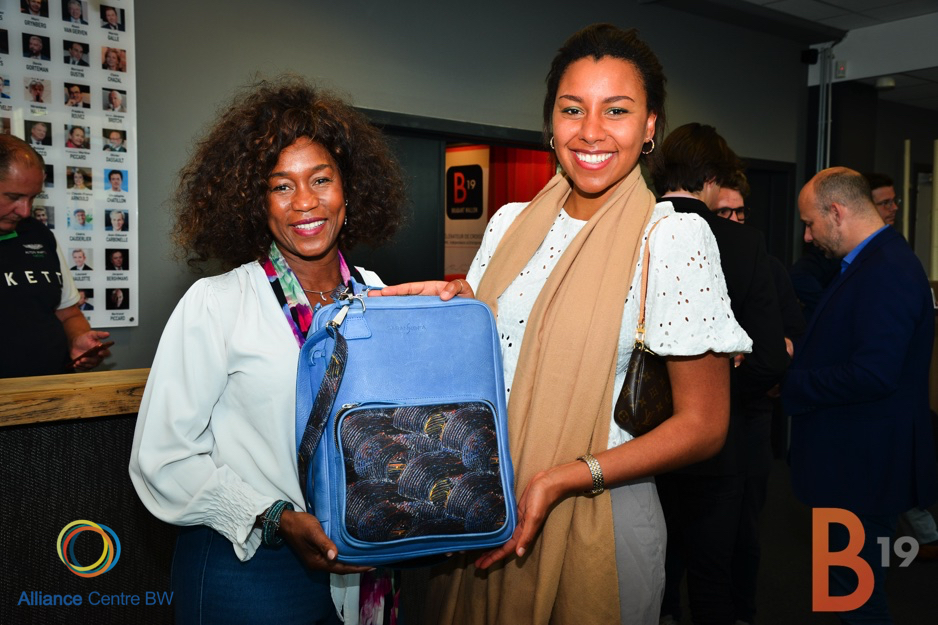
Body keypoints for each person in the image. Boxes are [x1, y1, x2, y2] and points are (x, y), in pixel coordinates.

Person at [377, 24, 750, 625]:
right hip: (485, 497)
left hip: (600, 509)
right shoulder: (509, 224)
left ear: (650, 126)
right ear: (551, 122)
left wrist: (567, 478)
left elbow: (705, 425)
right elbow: (507, 348)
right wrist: (458, 307)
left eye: (617, 110)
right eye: (573, 109)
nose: (591, 131)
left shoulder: (671, 237)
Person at [129, 76, 407, 625]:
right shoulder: (218, 303)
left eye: (320, 179)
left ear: (348, 189)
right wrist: (274, 517)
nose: (305, 202)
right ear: (257, 202)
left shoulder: (377, 296)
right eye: (282, 186)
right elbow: (162, 458)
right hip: (250, 564)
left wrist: (448, 316)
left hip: (362, 560)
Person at [783, 167, 938, 623]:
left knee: (856, 601)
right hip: (857, 464)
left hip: (861, 470)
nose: (808, 237)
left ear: (836, 212)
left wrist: (793, 381)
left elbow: (873, 373)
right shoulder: (873, 261)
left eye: (810, 223)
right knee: (848, 594)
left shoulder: (886, 269)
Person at [651, 123, 788, 625]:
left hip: (640, 440)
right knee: (713, 578)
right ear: (711, 178)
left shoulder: (631, 234)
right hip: (718, 444)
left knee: (650, 571)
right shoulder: (743, 243)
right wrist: (719, 393)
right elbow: (770, 358)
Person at [712, 170, 805, 625]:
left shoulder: (767, 266)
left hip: (752, 415)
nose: (734, 221)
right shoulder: (693, 263)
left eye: (740, 213)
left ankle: (743, 612)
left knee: (747, 524)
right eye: (723, 213)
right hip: (698, 415)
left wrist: (776, 357)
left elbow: (792, 334)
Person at [0, 134, 109, 378]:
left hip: (54, 387)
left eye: (32, 197)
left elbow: (68, 312)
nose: (25, 211)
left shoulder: (39, 235)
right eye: (14, 197)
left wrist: (78, 340)